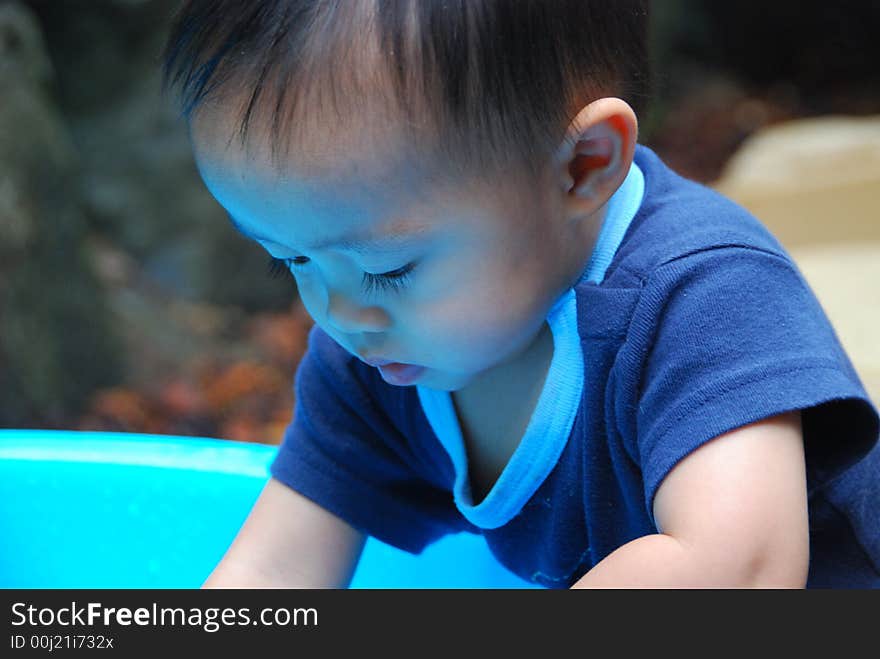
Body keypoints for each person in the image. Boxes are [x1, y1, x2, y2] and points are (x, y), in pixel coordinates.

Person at [160, 0, 879, 588]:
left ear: (582, 167)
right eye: (287, 261)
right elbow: (271, 572)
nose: (337, 312)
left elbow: (738, 570)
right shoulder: (375, 356)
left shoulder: (704, 297)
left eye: (388, 268)